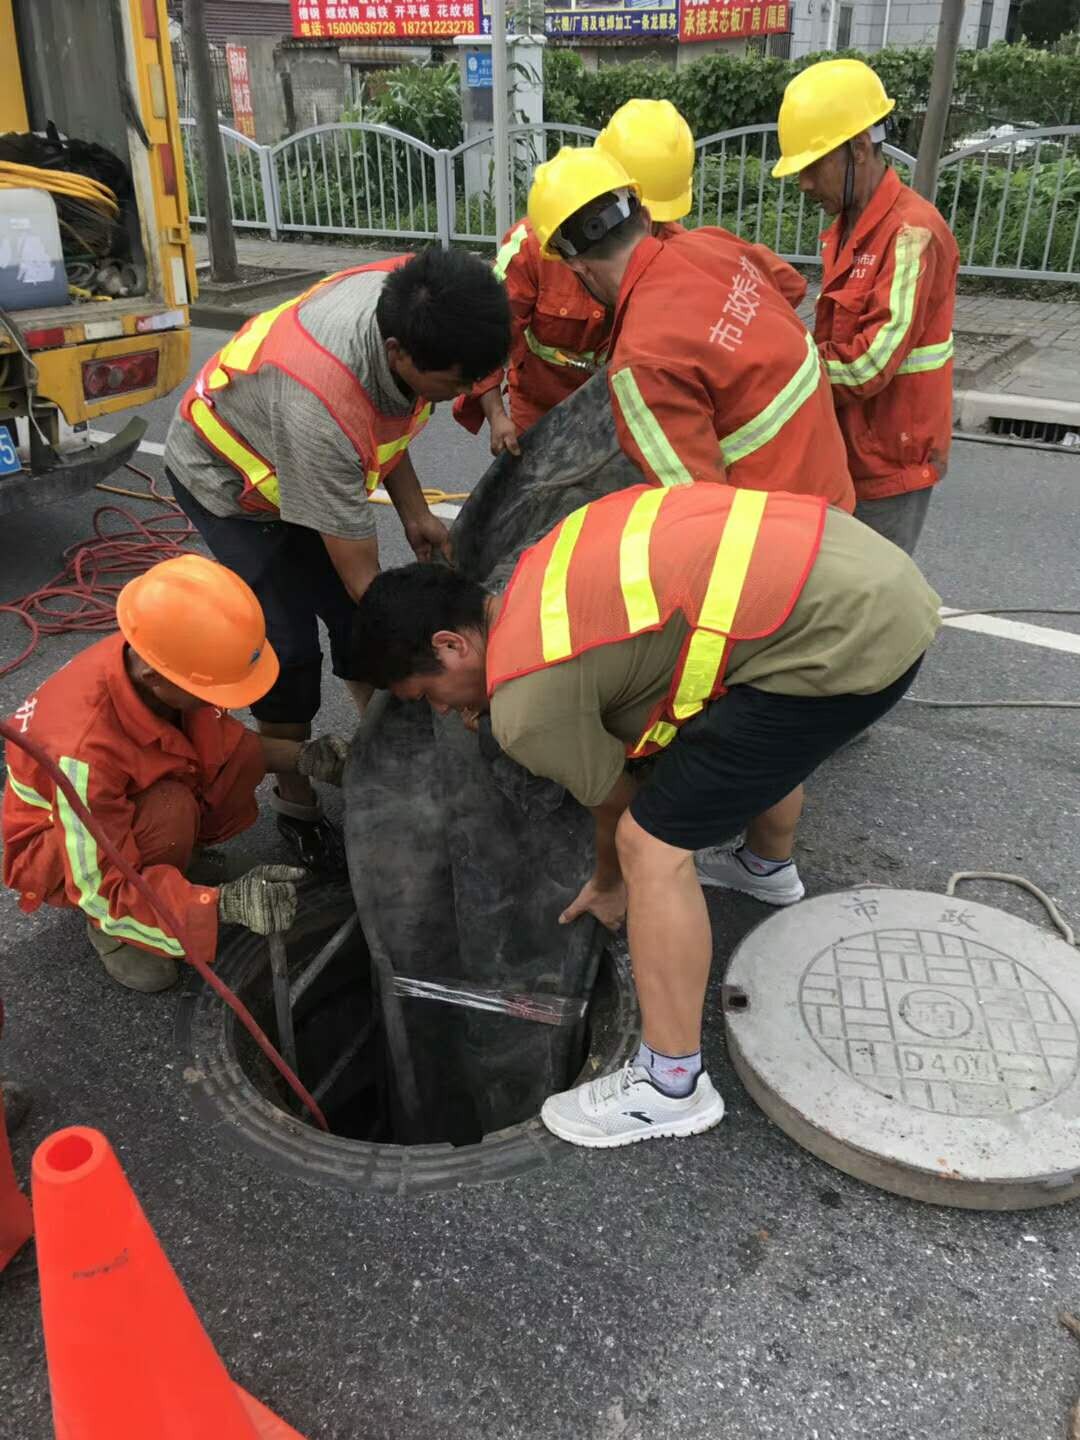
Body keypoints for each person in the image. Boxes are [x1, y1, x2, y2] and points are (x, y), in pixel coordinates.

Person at [349, 482, 940, 1148]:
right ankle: (766, 867)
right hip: (869, 580)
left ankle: (670, 1084)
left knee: (649, 845)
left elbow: (619, 801)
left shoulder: (525, 705)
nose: (446, 714)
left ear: (451, 645)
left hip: (839, 645)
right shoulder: (539, 568)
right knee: (745, 732)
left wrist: (610, 880)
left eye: (428, 694)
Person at [164, 247, 510, 870]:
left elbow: (386, 423)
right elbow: (367, 587)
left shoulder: (416, 297)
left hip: (304, 453)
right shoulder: (321, 411)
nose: (463, 394)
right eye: (456, 383)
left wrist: (414, 514)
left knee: (357, 629)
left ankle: (387, 752)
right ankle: (295, 801)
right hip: (233, 485)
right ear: (401, 352)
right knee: (288, 650)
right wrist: (425, 655)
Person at [2, 555, 348, 994]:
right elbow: (98, 883)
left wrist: (304, 757)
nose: (219, 700)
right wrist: (221, 905)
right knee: (170, 809)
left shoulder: (158, 657)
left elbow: (225, 746)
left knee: (228, 750)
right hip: (65, 855)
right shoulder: (83, 752)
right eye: (209, 690)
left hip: (120, 810)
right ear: (154, 677)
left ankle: (174, 869)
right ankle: (113, 930)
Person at [527, 146, 855, 510]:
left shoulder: (641, 361)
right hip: (834, 495)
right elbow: (791, 287)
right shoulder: (714, 242)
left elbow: (697, 513)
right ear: (646, 217)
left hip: (780, 539)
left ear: (578, 268)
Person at [773, 58, 960, 555]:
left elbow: (867, 365)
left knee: (877, 614)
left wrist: (773, 371)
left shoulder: (911, 236)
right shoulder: (849, 227)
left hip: (888, 464)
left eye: (812, 166)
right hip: (849, 450)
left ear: (859, 148)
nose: (805, 184)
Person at [454, 99, 698, 459]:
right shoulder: (537, 247)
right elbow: (485, 335)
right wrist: (496, 415)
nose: (647, 232)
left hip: (623, 417)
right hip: (539, 412)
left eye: (655, 220)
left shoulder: (679, 248)